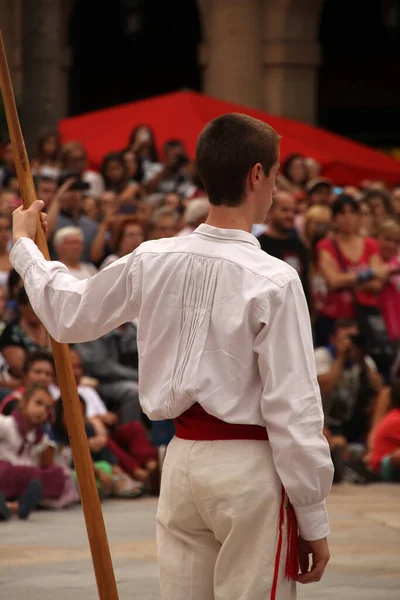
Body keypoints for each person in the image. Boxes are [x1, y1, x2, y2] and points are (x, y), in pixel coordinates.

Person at [10, 113, 333, 599]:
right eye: (276, 172)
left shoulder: (152, 257)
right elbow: (295, 410)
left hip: (181, 465)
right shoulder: (275, 279)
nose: (277, 188)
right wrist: (313, 516)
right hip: (248, 471)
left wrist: (22, 246)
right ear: (257, 175)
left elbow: (68, 312)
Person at [0, 383, 65, 521]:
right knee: (6, 469)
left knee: (56, 474)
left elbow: (46, 464)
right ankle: (11, 505)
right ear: (23, 403)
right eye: (38, 403)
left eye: (47, 408)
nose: (42, 410)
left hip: (22, 481)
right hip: (4, 475)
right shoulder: (6, 424)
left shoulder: (41, 438)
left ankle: (16, 505)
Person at [258, 192, 310, 304]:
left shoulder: (299, 244)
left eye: (293, 211)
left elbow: (306, 279)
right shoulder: (259, 245)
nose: (290, 215)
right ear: (270, 212)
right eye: (285, 210)